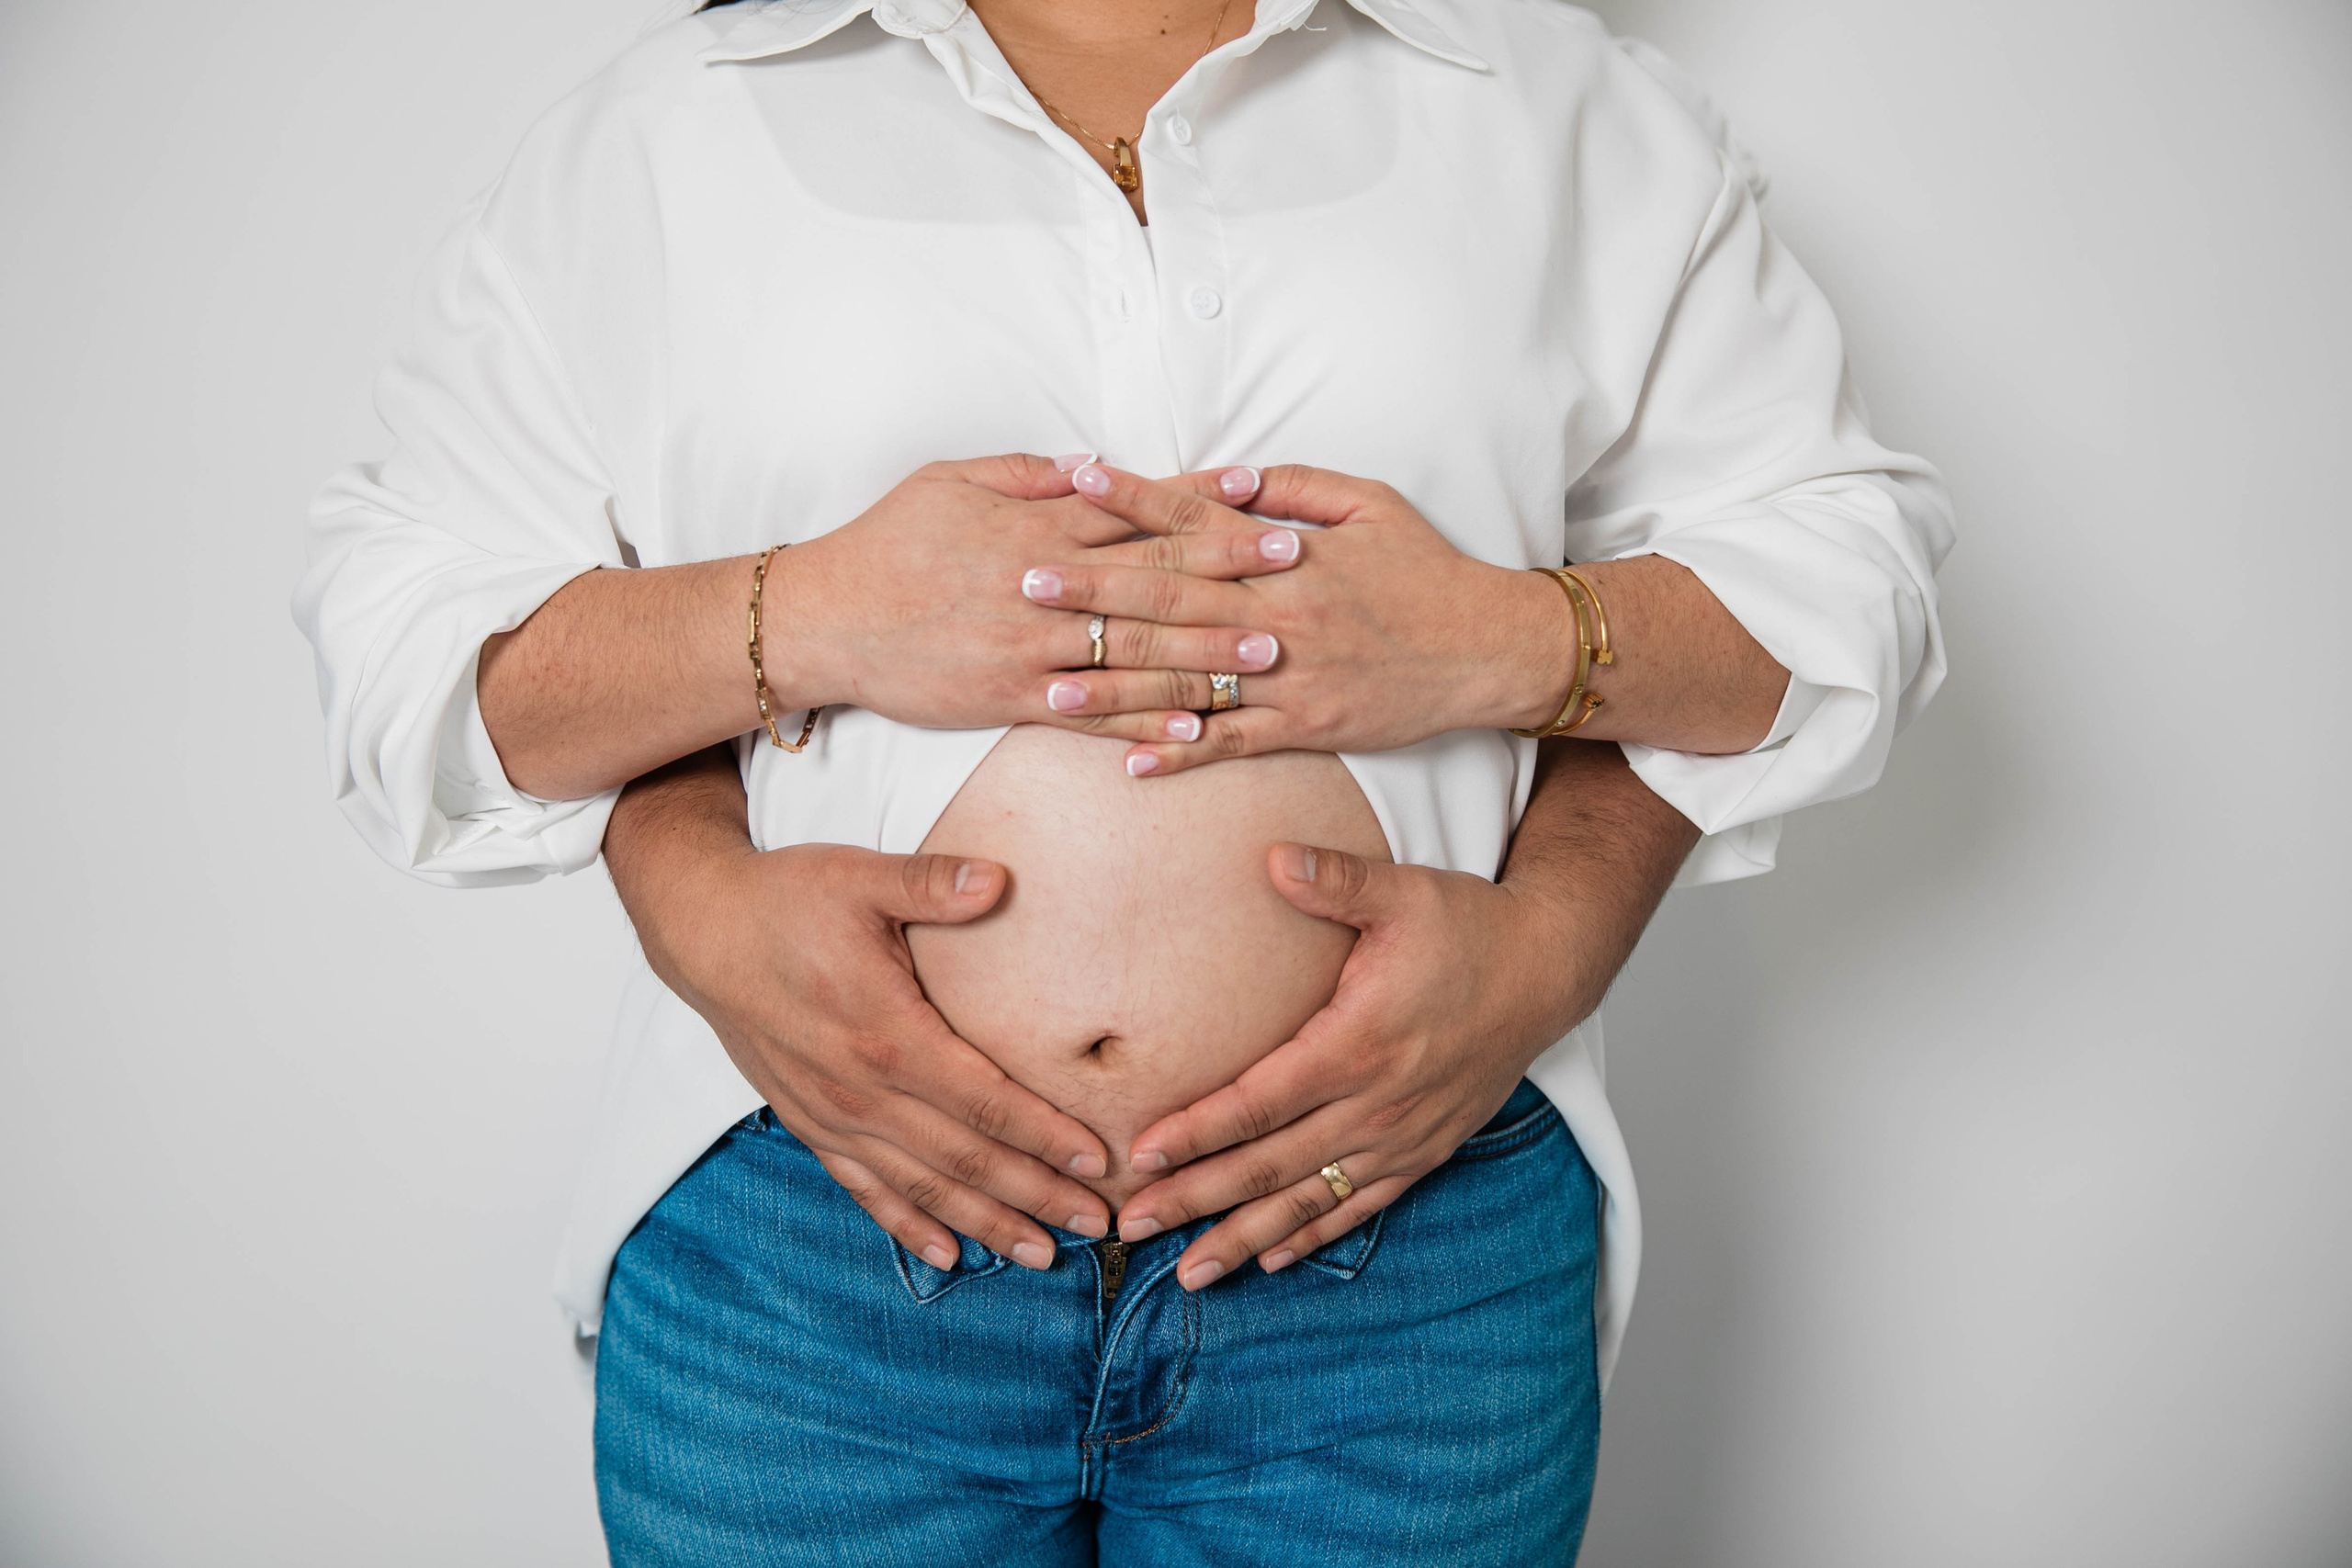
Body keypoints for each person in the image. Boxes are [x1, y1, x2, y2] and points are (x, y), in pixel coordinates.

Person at [292, 0, 1951, 1560]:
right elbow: (414, 661)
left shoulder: (1561, 106)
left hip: (1404, 1246)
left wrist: (1514, 677)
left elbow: (1841, 584)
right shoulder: (670, 132)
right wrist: (801, 629)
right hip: (815, 1242)